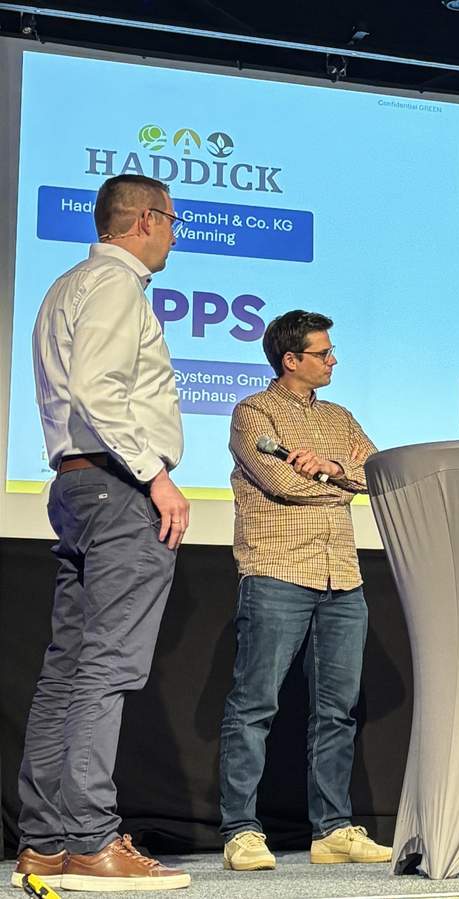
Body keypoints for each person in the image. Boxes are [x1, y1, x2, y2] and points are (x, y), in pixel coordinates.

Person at [13, 174, 191, 892]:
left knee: (69, 667)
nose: (174, 235)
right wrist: (155, 475)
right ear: (145, 219)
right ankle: (90, 839)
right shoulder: (116, 285)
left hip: (77, 485)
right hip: (119, 488)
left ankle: (45, 841)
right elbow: (96, 389)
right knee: (107, 666)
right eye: (173, 220)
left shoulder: (66, 285)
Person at [217, 311, 389, 871]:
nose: (333, 359)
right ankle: (241, 830)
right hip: (277, 569)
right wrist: (338, 484)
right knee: (255, 705)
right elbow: (281, 482)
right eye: (323, 352)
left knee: (337, 710)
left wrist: (333, 467)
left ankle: (333, 829)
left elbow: (379, 473)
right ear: (291, 360)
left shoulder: (339, 417)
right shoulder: (254, 412)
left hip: (343, 575)